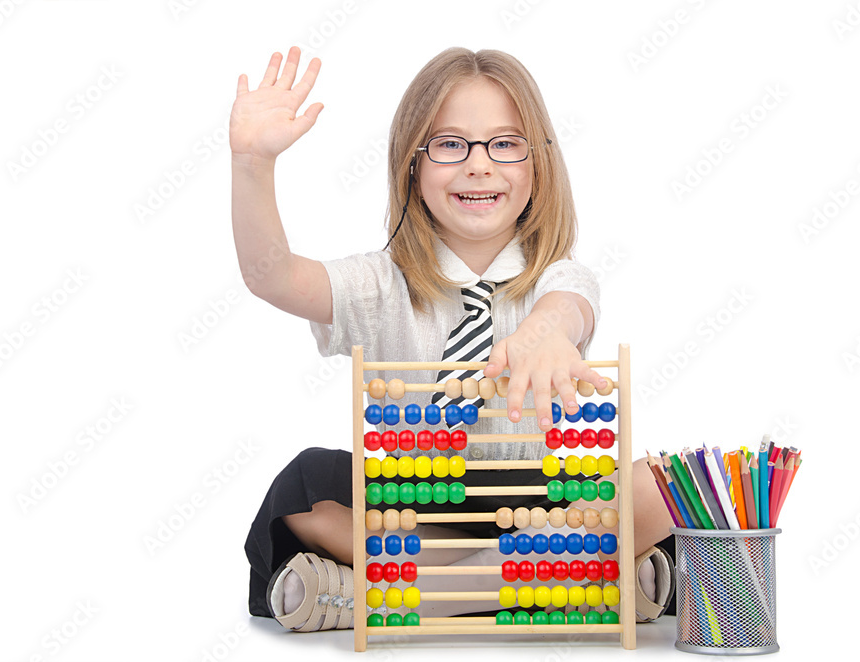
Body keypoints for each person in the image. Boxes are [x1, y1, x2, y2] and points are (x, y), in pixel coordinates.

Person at [231, 45, 676, 632]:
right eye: (449, 144)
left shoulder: (558, 276)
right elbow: (273, 277)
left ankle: (387, 598)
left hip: (543, 510)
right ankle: (579, 583)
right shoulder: (378, 284)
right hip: (417, 513)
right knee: (307, 493)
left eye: (505, 143)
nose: (479, 165)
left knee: (665, 482)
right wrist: (251, 164)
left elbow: (569, 308)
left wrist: (544, 333)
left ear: (538, 164)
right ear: (412, 164)